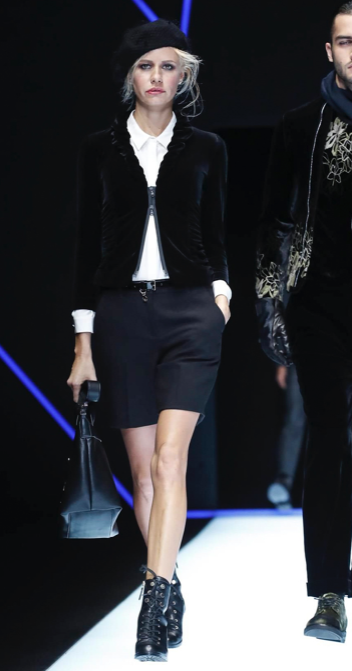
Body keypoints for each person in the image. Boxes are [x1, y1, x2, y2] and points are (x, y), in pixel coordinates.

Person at [67, 19, 231, 661]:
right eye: (145, 66)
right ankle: (171, 584)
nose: (156, 77)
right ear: (129, 76)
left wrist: (221, 296)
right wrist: (83, 342)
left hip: (191, 314)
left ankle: (152, 604)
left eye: (168, 66)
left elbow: (216, 232)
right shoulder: (98, 150)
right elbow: (86, 246)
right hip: (120, 318)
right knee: (142, 475)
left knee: (168, 462)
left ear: (183, 76)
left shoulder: (208, 147)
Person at [256, 2, 352, 643]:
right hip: (320, 305)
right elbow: (273, 222)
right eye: (347, 42)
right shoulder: (300, 126)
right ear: (329, 51)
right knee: (327, 441)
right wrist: (270, 305)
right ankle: (329, 594)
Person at [266, 364, 307, 510]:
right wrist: (281, 364)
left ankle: (336, 484)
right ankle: (283, 483)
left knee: (335, 422)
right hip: (300, 360)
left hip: (338, 358)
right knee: (294, 419)